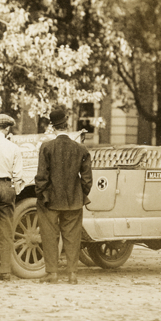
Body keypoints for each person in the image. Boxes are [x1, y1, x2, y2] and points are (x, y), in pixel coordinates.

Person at [35, 106, 93, 285]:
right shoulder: (81, 149)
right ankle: (72, 274)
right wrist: (81, 193)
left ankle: (52, 273)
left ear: (53, 127)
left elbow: (41, 177)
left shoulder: (46, 147)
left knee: (50, 236)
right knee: (73, 237)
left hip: (50, 200)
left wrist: (42, 195)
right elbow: (87, 178)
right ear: (67, 125)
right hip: (73, 201)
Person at [0, 114, 24, 281]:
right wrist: (14, 190)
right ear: (7, 128)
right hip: (7, 186)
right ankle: (5, 271)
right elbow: (18, 175)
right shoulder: (14, 148)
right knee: (6, 230)